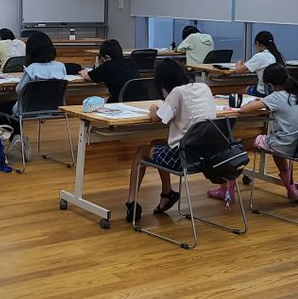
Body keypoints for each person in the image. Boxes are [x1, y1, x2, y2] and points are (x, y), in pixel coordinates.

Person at [125, 58, 216, 223]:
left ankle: (131, 202)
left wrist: (153, 107)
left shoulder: (177, 93)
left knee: (140, 153)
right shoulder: (204, 87)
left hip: (183, 158)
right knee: (156, 143)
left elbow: (156, 118)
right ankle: (167, 193)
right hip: (207, 155)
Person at [211, 63, 298, 203]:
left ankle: (227, 190)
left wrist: (261, 101)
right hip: (294, 146)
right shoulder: (294, 94)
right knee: (275, 148)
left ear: (270, 85)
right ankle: (292, 190)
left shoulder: (276, 97)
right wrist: (264, 101)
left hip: (283, 144)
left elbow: (244, 109)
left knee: (233, 146)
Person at [0, 32, 66, 159]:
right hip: (53, 109)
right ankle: (18, 138)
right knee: (16, 111)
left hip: (29, 109)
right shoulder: (60, 66)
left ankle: (16, 137)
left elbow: (19, 90)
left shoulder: (32, 69)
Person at [235, 30, 284, 97]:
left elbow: (238, 70)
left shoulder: (260, 56)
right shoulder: (278, 55)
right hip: (277, 91)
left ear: (257, 43)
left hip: (263, 91)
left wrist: (238, 63)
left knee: (238, 90)